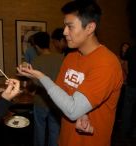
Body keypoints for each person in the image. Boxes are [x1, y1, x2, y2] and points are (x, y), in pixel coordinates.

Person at [17, 1, 123, 146]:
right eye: (65, 26)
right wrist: (83, 113)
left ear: (90, 27)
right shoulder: (71, 57)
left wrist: (42, 77)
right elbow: (63, 95)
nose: (65, 32)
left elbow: (72, 110)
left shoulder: (107, 63)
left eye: (70, 26)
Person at [31, 31, 63, 146]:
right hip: (56, 102)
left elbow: (34, 82)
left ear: (37, 46)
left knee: (39, 131)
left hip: (41, 101)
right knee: (54, 132)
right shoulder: (61, 58)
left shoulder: (36, 61)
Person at [121, 43, 136, 137]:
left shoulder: (131, 49)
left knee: (127, 109)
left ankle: (124, 131)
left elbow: (125, 64)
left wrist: (129, 75)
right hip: (131, 84)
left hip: (131, 83)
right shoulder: (131, 48)